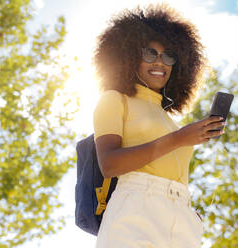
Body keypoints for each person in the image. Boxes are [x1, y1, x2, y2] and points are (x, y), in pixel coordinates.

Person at [93, 4, 225, 248]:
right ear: (129, 55)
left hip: (182, 216)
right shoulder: (114, 99)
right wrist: (180, 138)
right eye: (149, 53)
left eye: (168, 56)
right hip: (135, 210)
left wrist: (189, 214)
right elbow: (109, 164)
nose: (160, 63)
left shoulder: (168, 118)